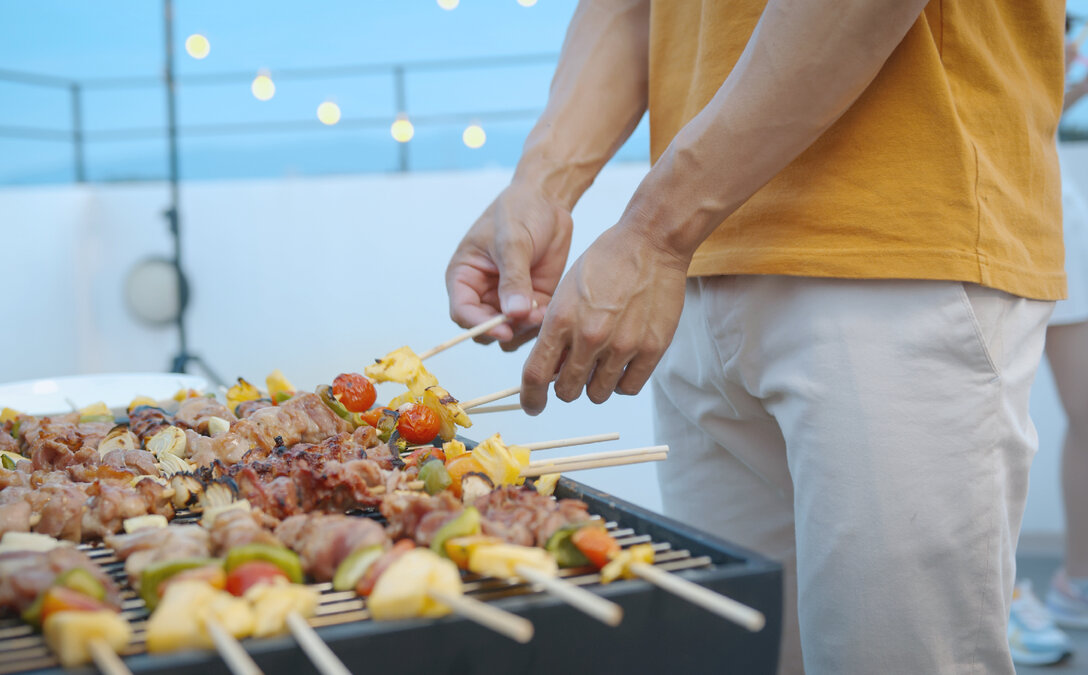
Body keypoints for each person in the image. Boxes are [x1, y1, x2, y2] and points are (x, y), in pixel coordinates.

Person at [445, 1, 1065, 673]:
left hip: (898, 244)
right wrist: (541, 184)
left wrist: (657, 230)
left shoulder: (664, 232)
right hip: (697, 274)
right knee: (732, 654)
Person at [1007, 26, 1088, 668]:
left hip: (1056, 206)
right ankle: (997, 592)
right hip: (985, 209)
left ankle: (1076, 581)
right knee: (977, 423)